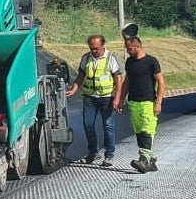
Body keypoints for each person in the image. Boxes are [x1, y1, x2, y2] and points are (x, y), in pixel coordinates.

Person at [65, 35, 123, 166]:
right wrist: (74, 89)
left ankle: (109, 155)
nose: (94, 51)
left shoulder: (111, 58)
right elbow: (81, 76)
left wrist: (118, 98)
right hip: (90, 97)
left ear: (103, 45)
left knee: (108, 126)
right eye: (91, 48)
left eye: (96, 48)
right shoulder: (86, 58)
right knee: (88, 125)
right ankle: (93, 153)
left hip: (107, 97)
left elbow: (118, 79)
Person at [117, 35, 165, 173]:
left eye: (129, 48)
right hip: (134, 101)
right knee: (139, 131)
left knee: (146, 130)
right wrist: (121, 99)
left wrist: (158, 102)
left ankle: (143, 160)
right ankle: (151, 160)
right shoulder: (130, 62)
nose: (127, 51)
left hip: (148, 101)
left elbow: (161, 82)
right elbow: (127, 82)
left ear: (137, 46)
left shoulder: (151, 61)